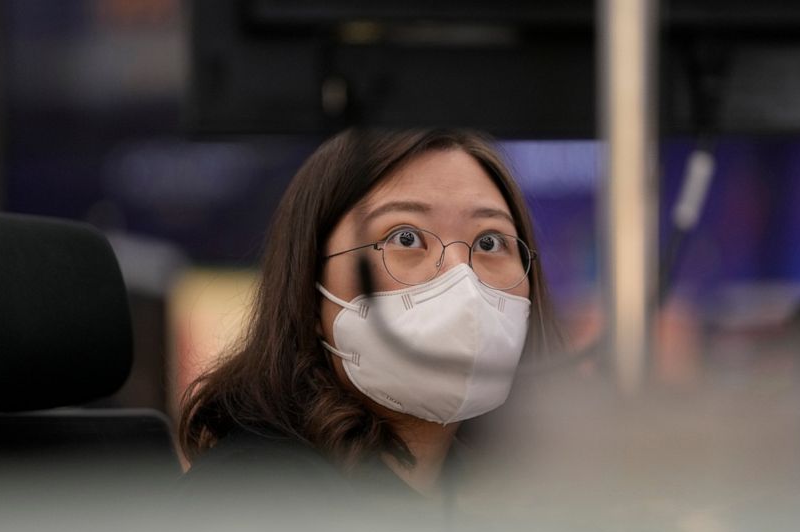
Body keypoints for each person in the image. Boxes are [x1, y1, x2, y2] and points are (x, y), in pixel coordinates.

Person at [178, 128, 563, 501]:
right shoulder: (249, 495)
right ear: (309, 287)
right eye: (405, 238)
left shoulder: (520, 500)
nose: (463, 281)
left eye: (490, 242)